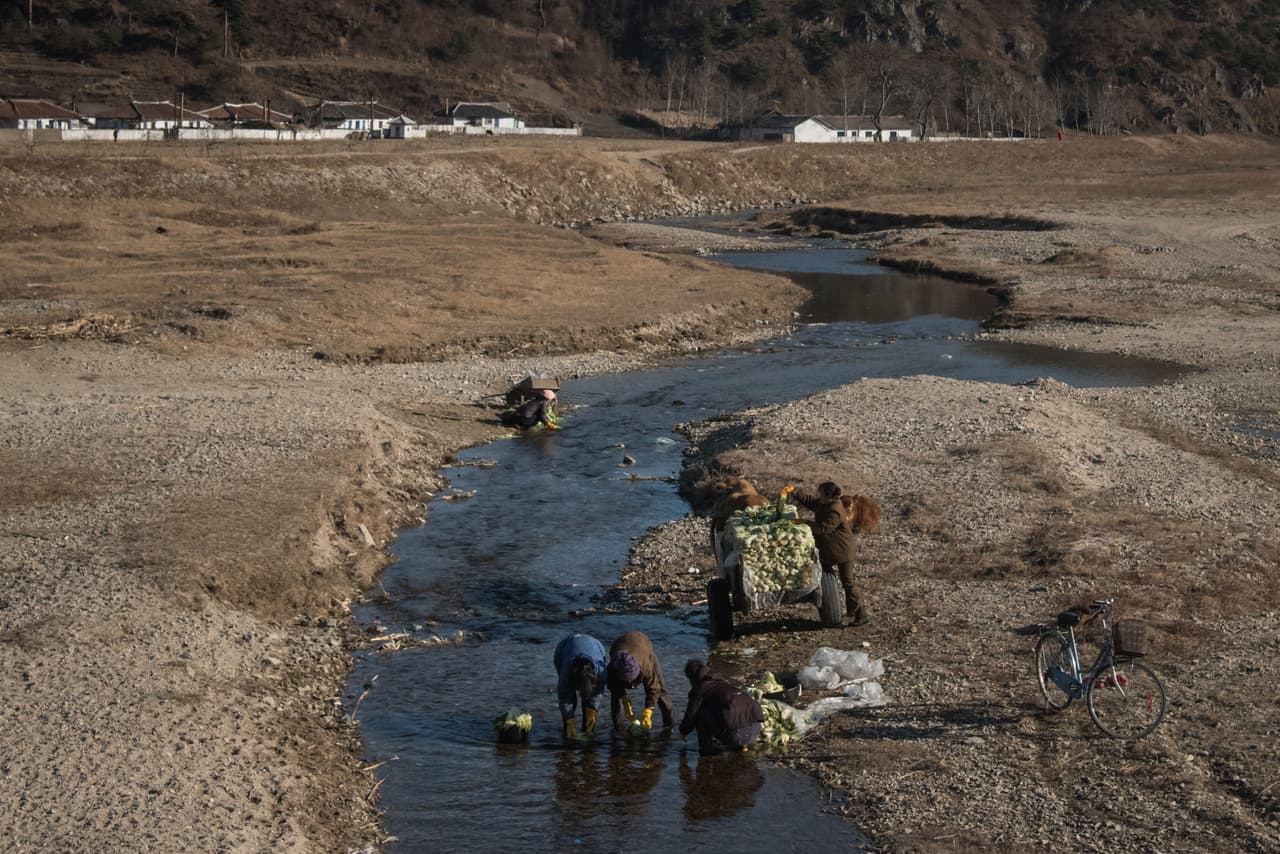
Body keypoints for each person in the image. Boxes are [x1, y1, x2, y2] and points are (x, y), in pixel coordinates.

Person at [786, 481, 868, 625]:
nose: (819, 496)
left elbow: (823, 528)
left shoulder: (835, 510)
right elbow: (811, 502)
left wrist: (803, 523)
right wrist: (795, 492)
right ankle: (840, 610)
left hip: (843, 551)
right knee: (837, 579)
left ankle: (861, 614)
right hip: (832, 549)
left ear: (829, 496)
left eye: (821, 493)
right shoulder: (825, 504)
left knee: (848, 582)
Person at [678, 658, 763, 754]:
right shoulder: (722, 683)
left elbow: (691, 715)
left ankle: (706, 751)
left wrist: (683, 732)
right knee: (728, 713)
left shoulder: (699, 690)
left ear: (692, 678)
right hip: (755, 731)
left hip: (736, 736)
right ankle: (741, 747)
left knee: (700, 714)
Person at [606, 631, 674, 734]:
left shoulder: (646, 666)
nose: (630, 682)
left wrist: (648, 711)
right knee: (616, 697)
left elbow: (654, 689)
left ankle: (668, 726)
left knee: (660, 688)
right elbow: (613, 686)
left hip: (643, 645)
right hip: (620, 643)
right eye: (626, 680)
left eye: (632, 679)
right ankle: (618, 728)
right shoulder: (612, 669)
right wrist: (624, 699)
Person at [553, 633, 607, 738]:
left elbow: (597, 696)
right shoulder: (566, 672)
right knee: (569, 698)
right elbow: (564, 698)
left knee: (590, 703)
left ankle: (587, 728)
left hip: (595, 644)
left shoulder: (602, 673)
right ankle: (568, 730)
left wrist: (592, 711)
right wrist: (569, 720)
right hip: (565, 647)